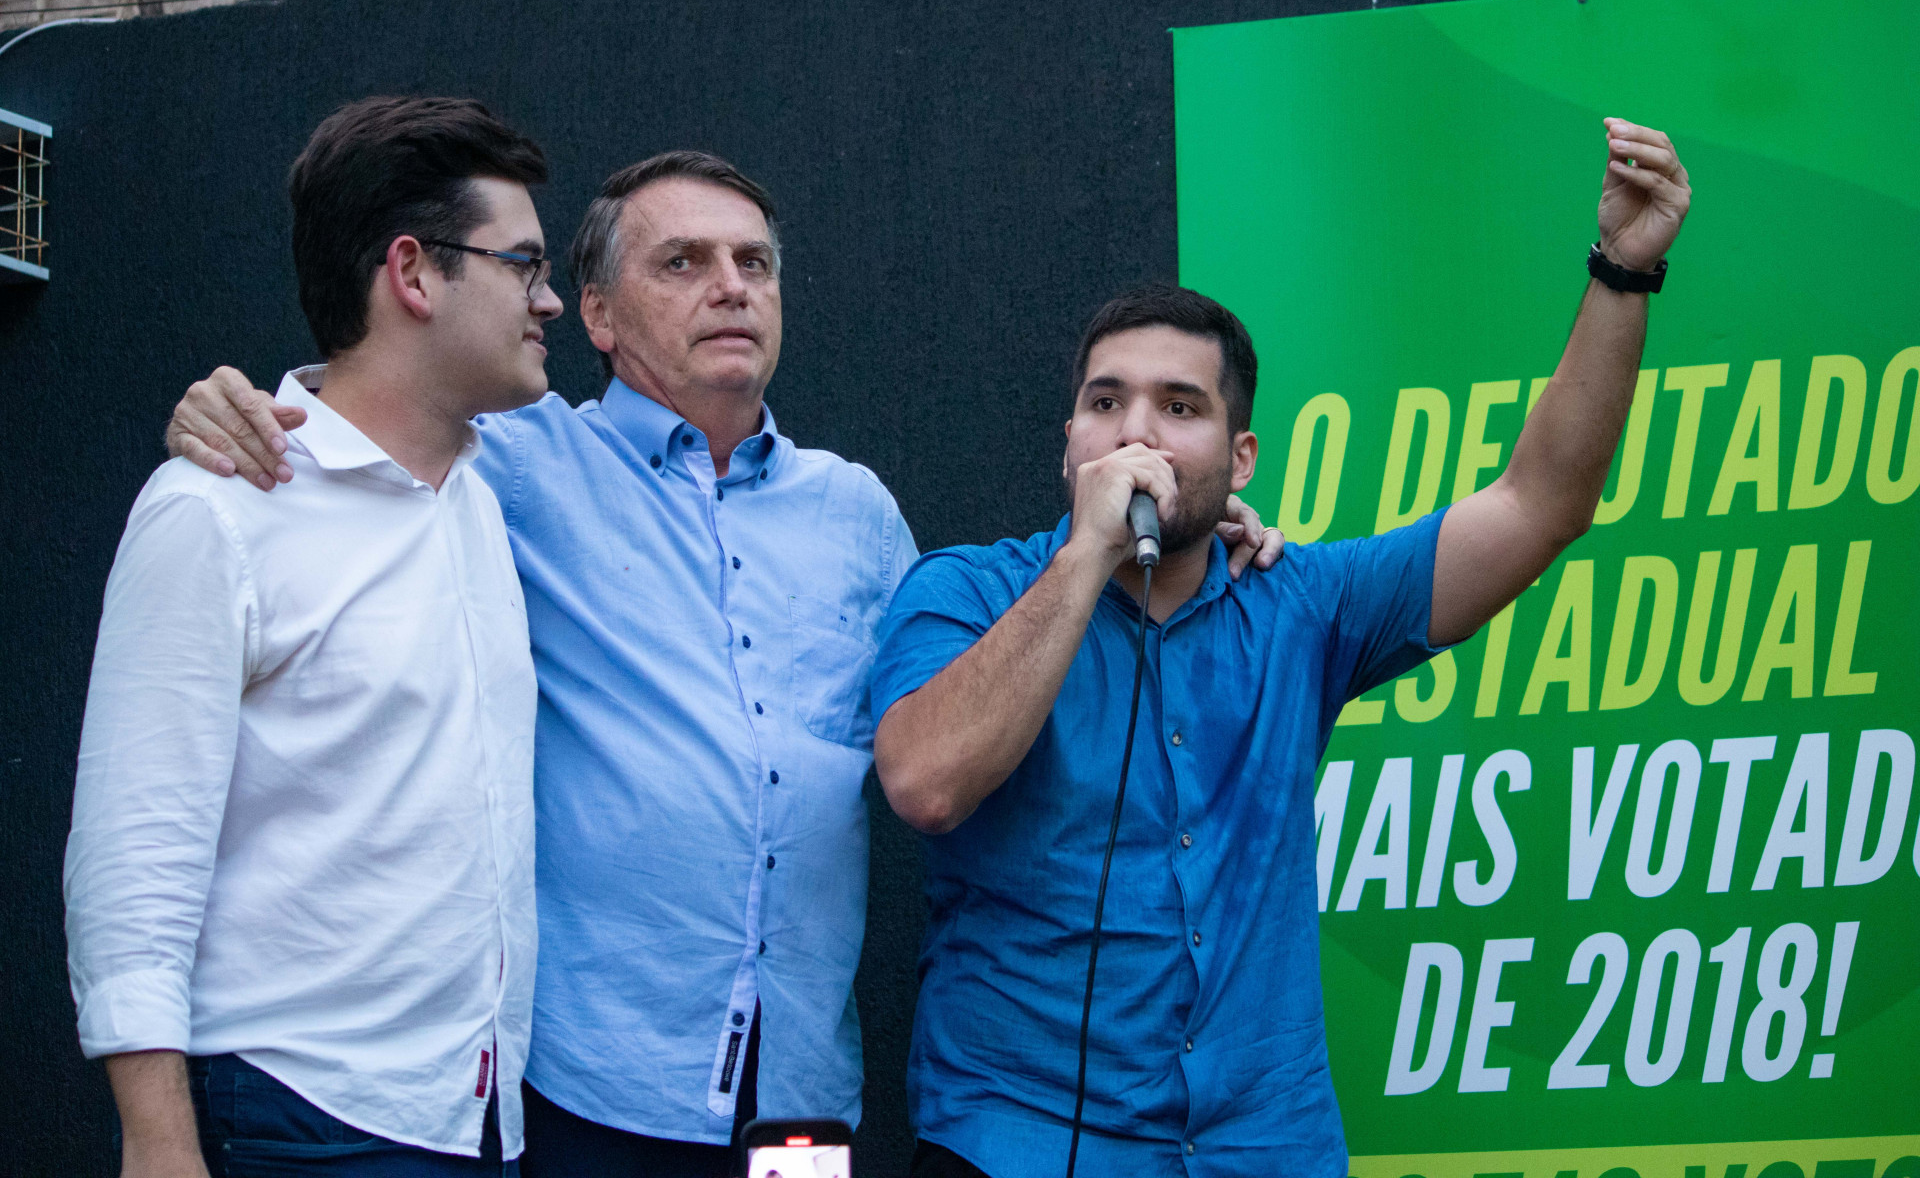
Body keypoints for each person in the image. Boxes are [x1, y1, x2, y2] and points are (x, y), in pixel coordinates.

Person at [161, 145, 1292, 1176]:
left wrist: (1199, 522)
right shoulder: (511, 466)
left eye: (754, 261)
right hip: (593, 1081)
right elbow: (375, 426)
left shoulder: (856, 512)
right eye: (685, 261)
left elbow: (986, 663)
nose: (732, 285)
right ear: (595, 311)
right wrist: (253, 409)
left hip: (799, 1103)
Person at [870, 119, 1692, 1177]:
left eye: (1180, 407)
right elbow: (926, 785)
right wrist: (1085, 556)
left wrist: (1623, 270)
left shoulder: (1303, 601)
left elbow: (1540, 505)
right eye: (1105, 403)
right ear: (1067, 440)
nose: (1138, 432)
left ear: (1241, 453)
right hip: (1018, 1142)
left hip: (1264, 1146)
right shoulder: (964, 591)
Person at [66, 95, 562, 1176]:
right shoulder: (217, 507)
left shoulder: (483, 495)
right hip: (299, 1120)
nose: (552, 299)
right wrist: (157, 1144)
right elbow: (132, 857)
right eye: (523, 265)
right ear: (414, 271)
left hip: (475, 1120)